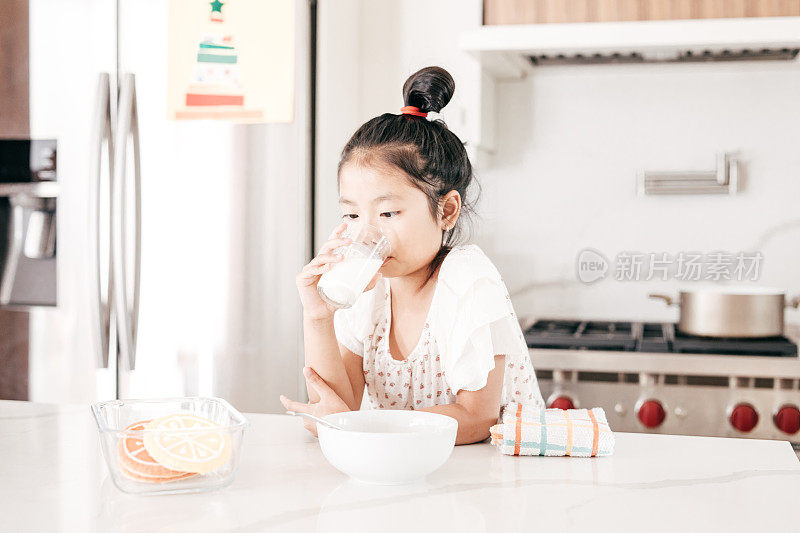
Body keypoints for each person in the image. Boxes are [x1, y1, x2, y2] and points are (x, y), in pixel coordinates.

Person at [280, 66, 544, 445]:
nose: (367, 232)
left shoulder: (466, 279)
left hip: (491, 483)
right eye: (352, 215)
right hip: (411, 473)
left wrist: (366, 426)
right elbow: (338, 406)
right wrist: (318, 315)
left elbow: (476, 417)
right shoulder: (367, 290)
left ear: (446, 211)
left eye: (388, 213)